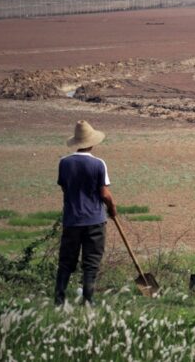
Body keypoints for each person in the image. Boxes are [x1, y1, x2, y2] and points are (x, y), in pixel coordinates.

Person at [55, 120, 117, 306]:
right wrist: (112, 210)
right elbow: (104, 193)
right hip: (94, 220)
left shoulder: (64, 163)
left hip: (72, 219)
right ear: (92, 142)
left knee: (66, 261)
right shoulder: (99, 164)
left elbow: (65, 188)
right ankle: (88, 300)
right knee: (91, 262)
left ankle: (59, 300)